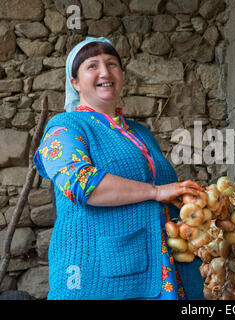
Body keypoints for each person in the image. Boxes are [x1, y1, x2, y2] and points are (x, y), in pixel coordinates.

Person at [33, 37, 205, 300]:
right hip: (99, 273)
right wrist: (155, 191)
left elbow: (161, 193)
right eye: (92, 66)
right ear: (74, 82)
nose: (105, 72)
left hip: (162, 268)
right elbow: (82, 184)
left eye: (112, 64)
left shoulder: (139, 132)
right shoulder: (65, 127)